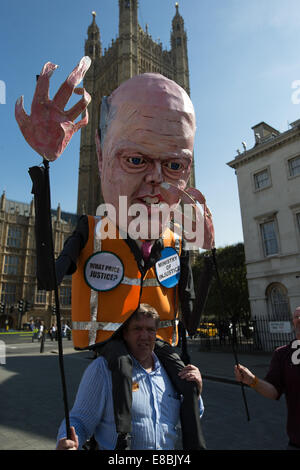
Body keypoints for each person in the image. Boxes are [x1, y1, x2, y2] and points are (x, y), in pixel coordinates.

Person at [15, 60, 213, 449]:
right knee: (118, 374)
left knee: (187, 392)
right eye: (136, 160)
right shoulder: (93, 232)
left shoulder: (174, 242)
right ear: (102, 154)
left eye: (174, 165)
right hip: (112, 347)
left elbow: (187, 316)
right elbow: (46, 280)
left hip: (163, 351)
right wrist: (44, 178)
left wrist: (209, 260)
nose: (155, 179)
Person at [56, 304, 204, 450]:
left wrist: (195, 392)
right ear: (125, 334)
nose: (144, 336)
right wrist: (68, 441)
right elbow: (80, 420)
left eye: (150, 330)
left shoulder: (170, 371)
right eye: (137, 329)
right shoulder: (102, 369)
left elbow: (188, 417)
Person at [234, 306, 300, 450]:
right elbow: (273, 391)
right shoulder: (282, 354)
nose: (299, 319)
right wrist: (252, 380)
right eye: (296, 317)